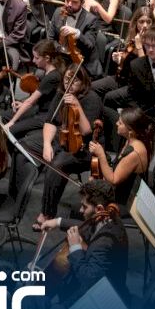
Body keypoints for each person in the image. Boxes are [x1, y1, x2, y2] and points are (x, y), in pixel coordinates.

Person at [32, 67, 106, 228]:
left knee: (57, 166)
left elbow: (86, 131)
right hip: (64, 140)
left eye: (74, 80)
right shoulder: (61, 94)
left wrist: (77, 104)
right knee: (26, 145)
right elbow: (50, 121)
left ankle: (47, 213)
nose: (69, 83)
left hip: (85, 148)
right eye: (66, 79)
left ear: (83, 82)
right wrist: (46, 144)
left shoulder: (92, 98)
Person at [35, 180, 129, 307]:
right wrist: (57, 222)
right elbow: (87, 224)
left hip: (104, 299)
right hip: (96, 282)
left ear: (99, 209)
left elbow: (88, 279)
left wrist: (75, 247)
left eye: (84, 207)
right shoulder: (109, 216)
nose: (80, 210)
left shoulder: (105, 242)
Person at [3, 39, 65, 140]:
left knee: (11, 129)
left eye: (37, 58)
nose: (33, 61)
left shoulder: (52, 77)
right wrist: (22, 104)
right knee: (6, 115)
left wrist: (12, 122)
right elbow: (39, 98)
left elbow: (29, 102)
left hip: (45, 116)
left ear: (47, 58)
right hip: (39, 108)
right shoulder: (49, 72)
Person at [92, 6, 155, 99]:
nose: (145, 25)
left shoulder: (153, 43)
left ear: (152, 24)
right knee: (91, 87)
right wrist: (120, 59)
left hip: (135, 85)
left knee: (108, 97)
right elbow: (129, 63)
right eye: (141, 22)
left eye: (148, 22)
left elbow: (144, 69)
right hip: (122, 78)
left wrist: (139, 46)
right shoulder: (134, 37)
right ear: (136, 23)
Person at [46, 0, 101, 76]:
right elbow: (50, 38)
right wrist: (59, 48)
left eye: (74, 2)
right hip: (60, 57)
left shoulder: (91, 20)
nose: (69, 4)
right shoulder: (58, 12)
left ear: (82, 2)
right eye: (67, 0)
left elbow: (89, 45)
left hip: (80, 61)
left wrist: (77, 33)